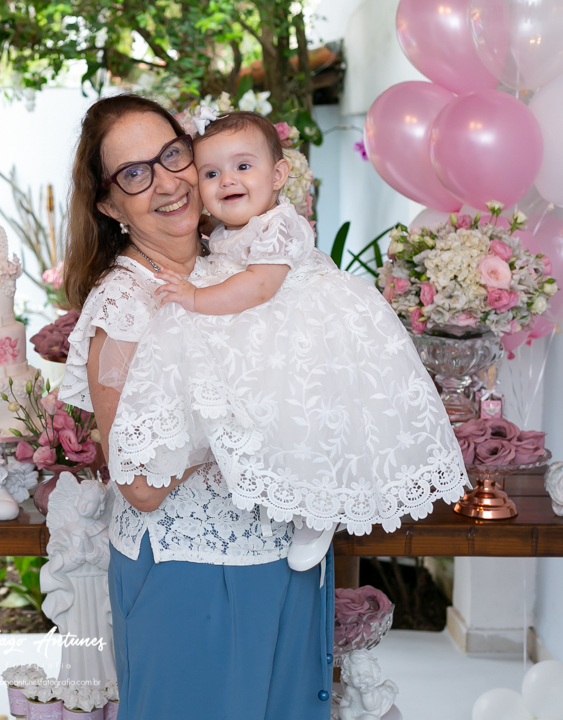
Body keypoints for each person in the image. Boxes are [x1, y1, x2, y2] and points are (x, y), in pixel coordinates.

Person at [61, 94, 333, 719]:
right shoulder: (125, 309)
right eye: (134, 173)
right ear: (109, 204)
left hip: (281, 555)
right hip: (193, 574)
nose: (166, 181)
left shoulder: (233, 266)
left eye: (172, 155)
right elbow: (137, 483)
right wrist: (246, 429)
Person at [106, 111, 466, 571]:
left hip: (305, 326)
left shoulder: (278, 224)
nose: (227, 180)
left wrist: (195, 296)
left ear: (278, 175)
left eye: (242, 167)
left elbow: (259, 288)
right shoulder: (221, 233)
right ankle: (296, 490)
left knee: (308, 413)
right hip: (265, 324)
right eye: (211, 173)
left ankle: (318, 512)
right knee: (275, 414)